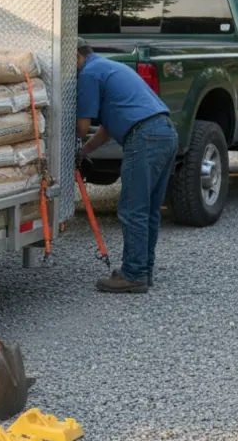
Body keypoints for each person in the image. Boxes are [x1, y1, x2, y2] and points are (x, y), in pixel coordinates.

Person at [75, 38, 178, 293]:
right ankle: (143, 270)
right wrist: (86, 151)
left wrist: (66, 142)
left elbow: (82, 127)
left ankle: (133, 274)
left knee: (133, 209)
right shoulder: (109, 67)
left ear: (76, 56)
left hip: (144, 137)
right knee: (149, 209)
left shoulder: (88, 74)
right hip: (166, 133)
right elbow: (108, 127)